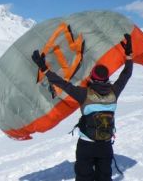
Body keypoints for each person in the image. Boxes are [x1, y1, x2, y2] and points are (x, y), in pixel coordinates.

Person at [32, 34, 133, 181]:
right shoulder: (114, 92)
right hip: (105, 145)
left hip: (86, 145)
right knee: (104, 176)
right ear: (106, 79)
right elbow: (126, 75)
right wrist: (129, 56)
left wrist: (44, 69)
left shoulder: (83, 94)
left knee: (84, 176)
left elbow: (62, 84)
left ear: (92, 78)